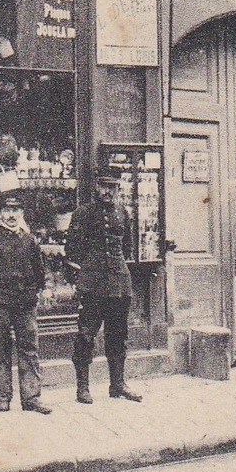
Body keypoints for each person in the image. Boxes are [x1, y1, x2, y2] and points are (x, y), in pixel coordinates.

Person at [0, 192, 52, 414]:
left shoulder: (29, 241)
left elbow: (39, 272)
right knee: (2, 350)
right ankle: (3, 396)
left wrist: (35, 292)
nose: (11, 215)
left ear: (22, 213)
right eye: (6, 211)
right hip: (0, 305)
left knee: (29, 350)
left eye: (15, 211)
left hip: (25, 305)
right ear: (0, 214)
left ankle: (31, 398)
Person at [66, 173, 142, 404]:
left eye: (112, 187)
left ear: (118, 188)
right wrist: (86, 274)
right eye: (103, 187)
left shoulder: (123, 213)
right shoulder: (83, 213)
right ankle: (82, 388)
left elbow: (127, 246)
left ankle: (117, 385)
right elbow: (72, 250)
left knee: (118, 335)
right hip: (93, 284)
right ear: (96, 187)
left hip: (119, 283)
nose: (107, 192)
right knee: (86, 335)